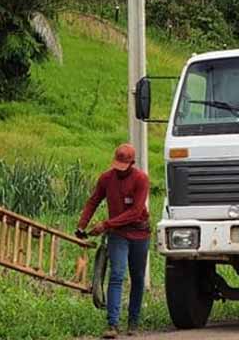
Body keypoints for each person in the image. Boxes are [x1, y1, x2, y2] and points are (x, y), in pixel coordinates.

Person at [77, 143, 150, 339]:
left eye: (123, 166)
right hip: (118, 234)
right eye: (116, 165)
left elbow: (135, 212)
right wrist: (81, 225)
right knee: (116, 274)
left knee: (137, 277)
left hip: (139, 233)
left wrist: (106, 224)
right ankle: (113, 324)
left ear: (132, 163)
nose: (118, 170)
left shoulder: (141, 179)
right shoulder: (106, 178)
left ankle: (133, 321)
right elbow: (93, 200)